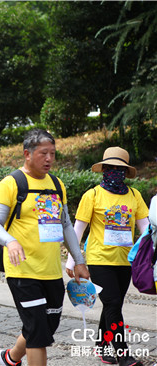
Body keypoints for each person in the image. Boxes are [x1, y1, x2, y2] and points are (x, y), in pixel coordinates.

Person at [0, 129, 89, 366]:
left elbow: (66, 225)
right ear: (27, 154)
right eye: (44, 153)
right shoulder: (11, 184)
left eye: (53, 154)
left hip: (51, 271)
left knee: (45, 327)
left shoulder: (56, 184)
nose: (49, 159)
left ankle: (11, 357)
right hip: (23, 270)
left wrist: (79, 259)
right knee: (37, 333)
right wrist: (10, 241)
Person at [64, 147, 149, 366]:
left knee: (114, 306)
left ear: (125, 171)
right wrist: (73, 261)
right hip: (99, 260)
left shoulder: (134, 196)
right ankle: (123, 355)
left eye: (118, 168)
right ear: (103, 169)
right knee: (111, 302)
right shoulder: (92, 195)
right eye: (110, 167)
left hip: (125, 260)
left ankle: (102, 346)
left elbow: (146, 229)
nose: (114, 171)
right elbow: (78, 230)